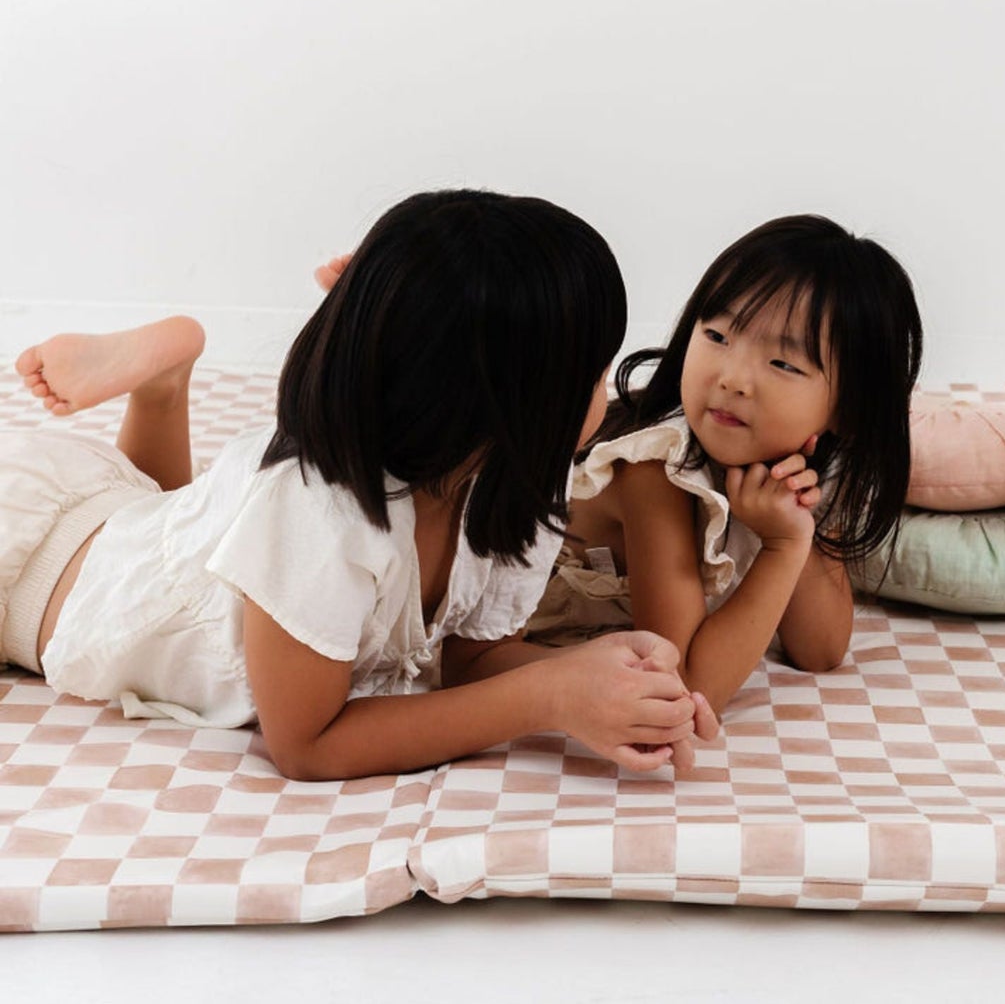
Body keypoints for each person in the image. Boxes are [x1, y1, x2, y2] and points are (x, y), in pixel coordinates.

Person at [2, 189, 714, 780]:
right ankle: (162, 383)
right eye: (592, 372)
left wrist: (604, 676)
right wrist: (547, 696)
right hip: (20, 563)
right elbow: (307, 744)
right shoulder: (320, 512)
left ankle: (163, 384)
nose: (607, 392)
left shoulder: (517, 473)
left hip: (129, 537)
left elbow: (474, 658)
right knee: (135, 568)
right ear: (505, 402)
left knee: (157, 542)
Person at [525, 214, 923, 715]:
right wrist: (781, 547)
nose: (732, 379)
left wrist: (795, 526)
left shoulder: (806, 466)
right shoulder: (653, 471)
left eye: (783, 363)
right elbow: (688, 686)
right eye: (717, 336)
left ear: (847, 410)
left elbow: (820, 650)